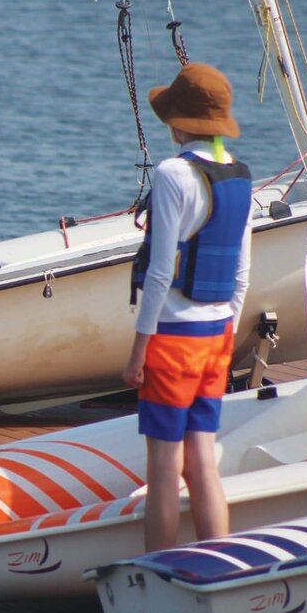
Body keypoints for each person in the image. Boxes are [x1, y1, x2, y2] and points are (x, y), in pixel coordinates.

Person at [123, 62, 252, 552]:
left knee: (162, 468)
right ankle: (217, 565)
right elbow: (241, 272)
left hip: (173, 338)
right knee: (202, 461)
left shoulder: (172, 174)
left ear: (178, 124)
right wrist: (228, 332)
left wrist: (139, 350)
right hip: (218, 332)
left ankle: (158, 573)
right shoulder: (239, 174)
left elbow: (160, 273)